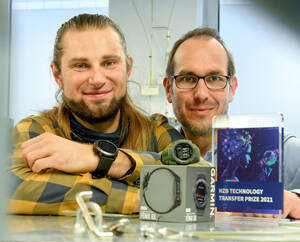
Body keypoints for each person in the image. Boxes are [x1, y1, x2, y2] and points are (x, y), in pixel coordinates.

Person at [8, 14, 185, 215]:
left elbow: (201, 179)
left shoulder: (156, 131)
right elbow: (12, 188)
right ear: (57, 75)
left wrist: (98, 158)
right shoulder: (37, 131)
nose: (97, 79)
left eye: (109, 63)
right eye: (81, 66)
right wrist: (147, 199)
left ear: (128, 68)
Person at [163, 27, 300, 219]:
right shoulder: (153, 151)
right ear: (169, 89)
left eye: (214, 78)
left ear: (232, 88)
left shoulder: (280, 149)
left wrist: (296, 200)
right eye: (187, 78)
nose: (201, 94)